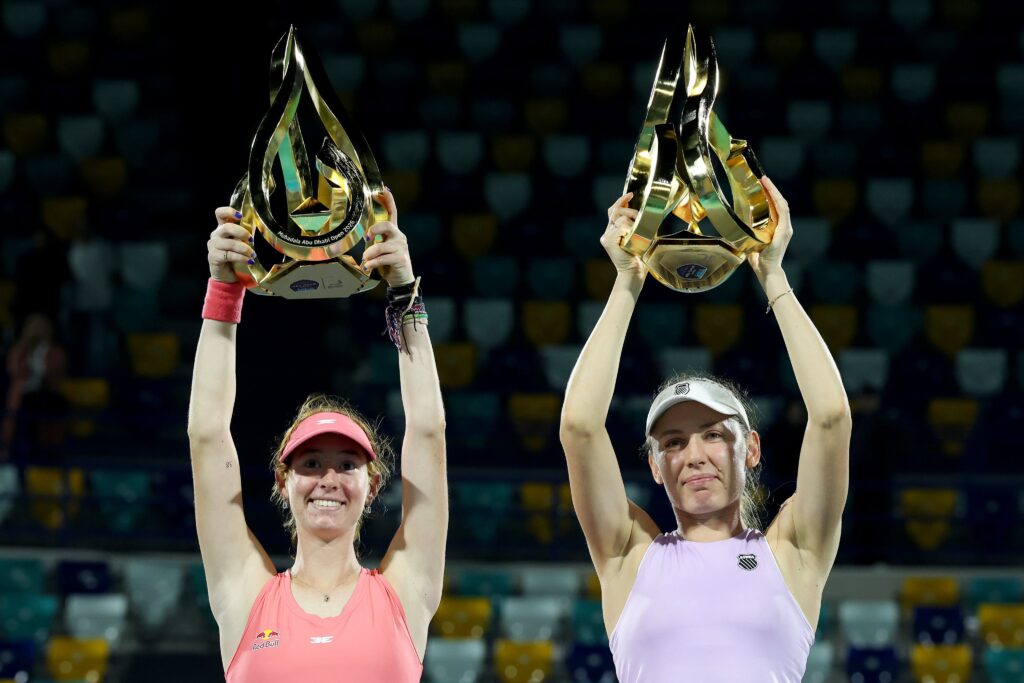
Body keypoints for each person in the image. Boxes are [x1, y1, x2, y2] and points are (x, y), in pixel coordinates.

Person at [559, 178, 851, 682]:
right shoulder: (628, 554)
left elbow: (831, 419)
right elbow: (579, 427)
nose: (694, 455)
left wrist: (773, 276)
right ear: (655, 466)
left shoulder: (792, 551)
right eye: (673, 442)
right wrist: (627, 280)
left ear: (751, 448)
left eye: (714, 434)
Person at [187, 189, 446, 682]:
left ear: (372, 484)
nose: (329, 478)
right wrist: (224, 289)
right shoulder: (244, 594)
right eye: (310, 463)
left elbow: (429, 431)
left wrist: (404, 291)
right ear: (283, 481)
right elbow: (206, 434)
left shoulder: (406, 590)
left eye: (347, 464)